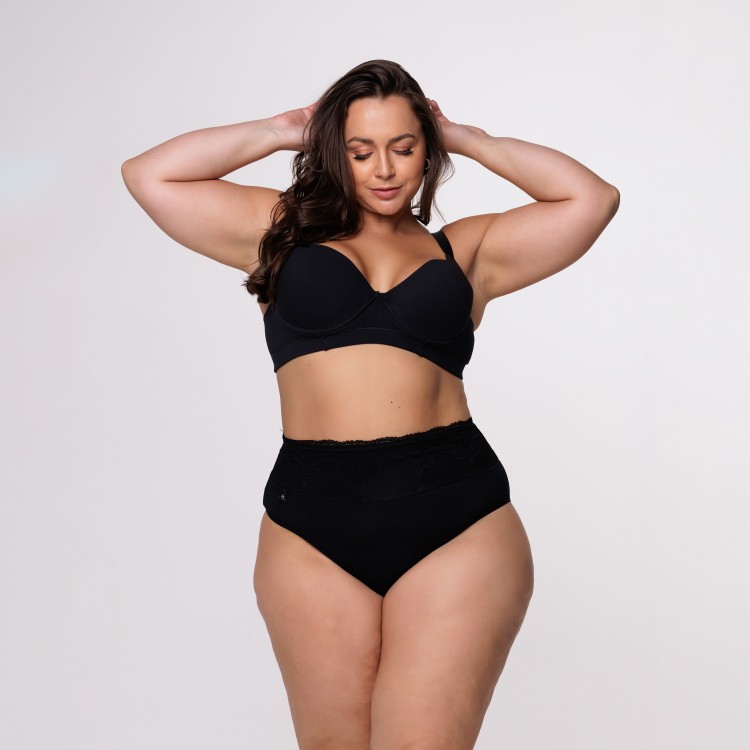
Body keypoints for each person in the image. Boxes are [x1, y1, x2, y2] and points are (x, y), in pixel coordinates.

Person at [121, 59, 619, 750]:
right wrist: (280, 130)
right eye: (360, 151)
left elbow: (591, 199)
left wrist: (468, 138)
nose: (384, 169)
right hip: (310, 524)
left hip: (456, 517)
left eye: (403, 148)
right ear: (335, 152)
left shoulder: (466, 250)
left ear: (426, 151)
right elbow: (150, 175)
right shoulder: (278, 232)